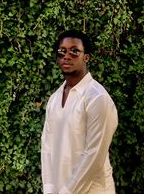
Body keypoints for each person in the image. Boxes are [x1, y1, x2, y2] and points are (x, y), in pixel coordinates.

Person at [41, 30, 118, 194]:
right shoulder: (54, 99)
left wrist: (68, 191)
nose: (67, 56)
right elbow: (47, 146)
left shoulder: (97, 98)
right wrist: (49, 188)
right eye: (62, 51)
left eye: (74, 51)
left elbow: (94, 156)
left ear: (86, 57)